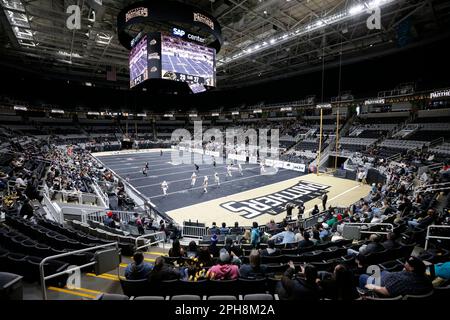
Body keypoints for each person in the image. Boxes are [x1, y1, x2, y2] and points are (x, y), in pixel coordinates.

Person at [363, 256, 433, 297]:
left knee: (363, 277)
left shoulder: (401, 280)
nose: (405, 263)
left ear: (412, 268)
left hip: (383, 285)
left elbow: (386, 292)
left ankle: (366, 295)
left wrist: (372, 286)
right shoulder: (426, 278)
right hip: (389, 278)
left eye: (407, 263)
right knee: (383, 272)